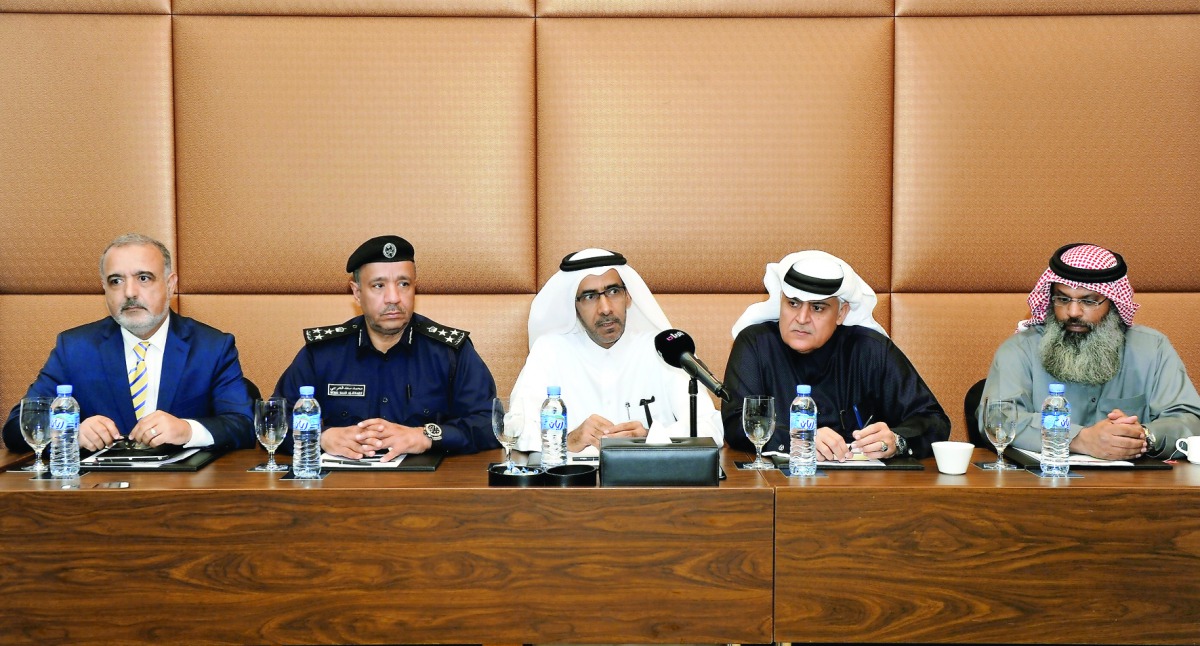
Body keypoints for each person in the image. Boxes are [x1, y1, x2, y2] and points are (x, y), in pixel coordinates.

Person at [2, 234, 254, 452]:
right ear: (104, 289)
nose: (130, 292)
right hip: (98, 495)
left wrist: (187, 430)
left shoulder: (212, 347)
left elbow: (243, 426)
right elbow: (16, 426)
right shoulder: (75, 348)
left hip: (184, 492)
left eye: (143, 278)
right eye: (116, 281)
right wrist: (70, 432)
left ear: (170, 284)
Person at [274, 235, 498, 460]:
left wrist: (426, 436)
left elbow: (490, 423)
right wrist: (320, 436)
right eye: (378, 286)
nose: (394, 298)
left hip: (428, 487)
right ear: (357, 292)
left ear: (414, 288)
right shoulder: (323, 353)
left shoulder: (450, 351)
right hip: (340, 487)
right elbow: (275, 419)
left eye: (403, 284)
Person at [980, 243, 1200, 460]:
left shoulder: (1153, 349)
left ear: (1113, 302)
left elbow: (1190, 419)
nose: (1073, 312)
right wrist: (1079, 439)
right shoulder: (1020, 349)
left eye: (1088, 300)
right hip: (1044, 486)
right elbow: (998, 417)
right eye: (1063, 299)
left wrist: (1142, 436)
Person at [723, 250, 949, 461]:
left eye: (817, 308)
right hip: (779, 488)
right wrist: (798, 440)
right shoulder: (755, 344)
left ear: (841, 313)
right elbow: (736, 423)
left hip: (860, 491)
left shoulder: (870, 350)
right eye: (793, 303)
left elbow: (934, 420)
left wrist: (897, 441)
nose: (802, 318)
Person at [511, 248, 723, 454]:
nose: (605, 308)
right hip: (575, 485)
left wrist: (650, 438)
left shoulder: (664, 350)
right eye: (589, 296)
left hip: (651, 484)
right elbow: (515, 429)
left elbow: (710, 428)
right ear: (574, 307)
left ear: (628, 297)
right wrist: (568, 439)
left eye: (613, 292)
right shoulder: (550, 351)